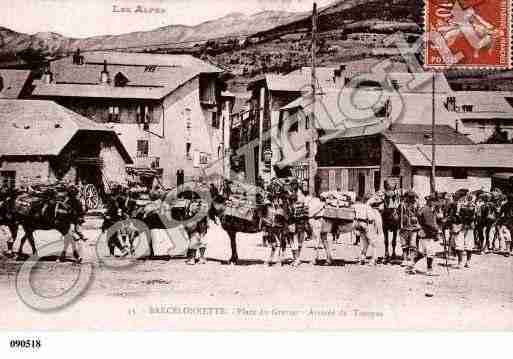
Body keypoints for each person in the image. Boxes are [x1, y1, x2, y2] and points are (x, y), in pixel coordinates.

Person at [407, 195, 441, 276]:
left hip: (424, 234)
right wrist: (437, 230)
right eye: (434, 201)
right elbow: (429, 223)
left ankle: (411, 266)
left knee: (423, 253)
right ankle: (429, 270)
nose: (435, 203)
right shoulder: (427, 210)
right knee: (430, 252)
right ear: (430, 201)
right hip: (427, 234)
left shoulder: (425, 209)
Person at [353, 194, 381, 265]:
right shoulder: (367, 207)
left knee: (364, 242)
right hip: (367, 224)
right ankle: (374, 258)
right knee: (372, 242)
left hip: (358, 224)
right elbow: (371, 217)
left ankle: (362, 258)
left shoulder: (354, 206)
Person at [399, 191, 420, 267]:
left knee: (412, 245)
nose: (411, 199)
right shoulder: (402, 205)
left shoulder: (416, 205)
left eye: (412, 197)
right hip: (404, 227)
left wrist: (417, 223)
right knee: (404, 245)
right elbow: (399, 215)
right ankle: (404, 259)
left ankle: (411, 260)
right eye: (409, 197)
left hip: (413, 228)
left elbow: (419, 214)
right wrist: (401, 224)